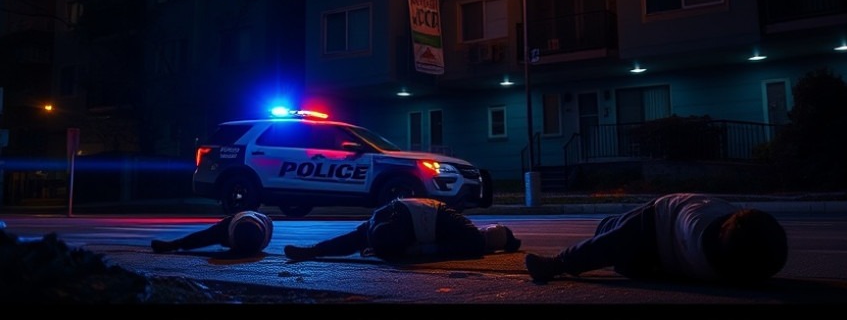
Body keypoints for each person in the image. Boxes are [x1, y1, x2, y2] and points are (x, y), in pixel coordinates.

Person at [524, 192, 788, 285]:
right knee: (620, 253)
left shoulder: (699, 222)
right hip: (661, 251)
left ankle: (556, 264)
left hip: (656, 222)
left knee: (610, 240)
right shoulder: (726, 269)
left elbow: (678, 205)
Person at [284, 197, 521, 261]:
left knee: (358, 238)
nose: (492, 232)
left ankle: (312, 251)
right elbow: (442, 248)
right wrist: (415, 252)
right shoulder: (471, 235)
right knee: (365, 239)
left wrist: (416, 251)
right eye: (496, 230)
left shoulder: (473, 237)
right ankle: (313, 251)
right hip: (398, 219)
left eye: (496, 234)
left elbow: (445, 248)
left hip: (394, 213)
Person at [150, 210, 273, 257]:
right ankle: (174, 245)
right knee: (208, 235)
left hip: (245, 226)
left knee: (208, 235)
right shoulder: (226, 227)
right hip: (239, 225)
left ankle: (174, 245)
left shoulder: (260, 231)